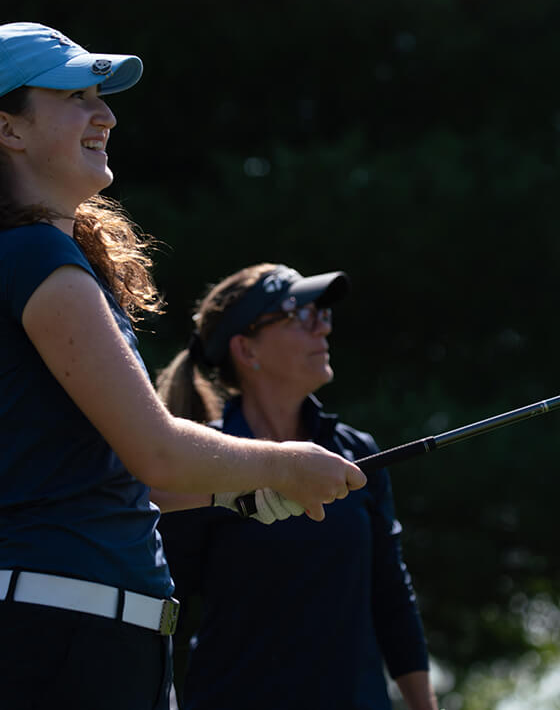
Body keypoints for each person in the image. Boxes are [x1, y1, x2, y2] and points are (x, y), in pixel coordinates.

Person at [0, 23, 367, 710]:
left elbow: (120, 477)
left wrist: (229, 491)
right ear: (8, 129)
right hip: (69, 645)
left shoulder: (17, 259)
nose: (105, 114)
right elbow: (157, 452)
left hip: (88, 643)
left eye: (99, 95)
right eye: (75, 95)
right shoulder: (34, 258)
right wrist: (284, 462)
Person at [155, 263, 439, 710]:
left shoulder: (357, 451)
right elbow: (167, 608)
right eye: (301, 314)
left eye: (323, 315)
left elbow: (392, 598)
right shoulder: (200, 464)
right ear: (247, 349)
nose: (323, 328)